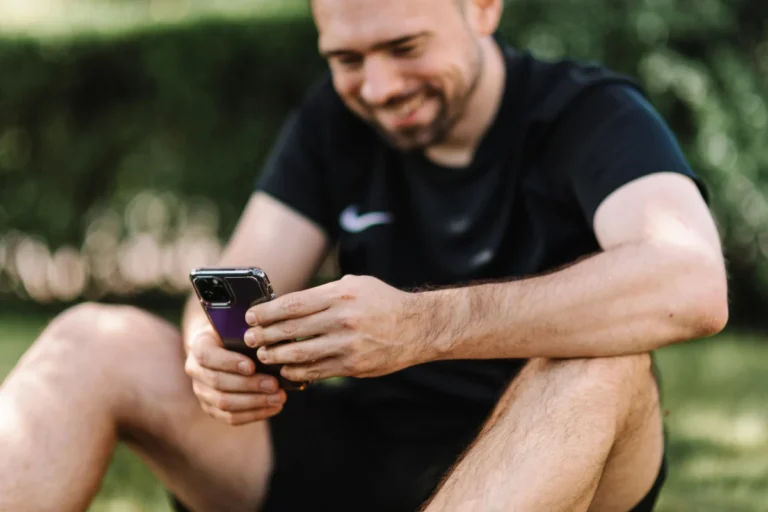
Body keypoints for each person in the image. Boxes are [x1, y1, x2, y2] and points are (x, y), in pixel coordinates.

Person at [0, 0, 728, 510]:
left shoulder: (590, 113)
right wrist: (210, 352)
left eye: (406, 48)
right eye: (347, 59)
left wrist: (425, 326)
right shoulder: (334, 118)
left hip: (545, 462)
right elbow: (238, 276)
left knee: (604, 361)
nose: (378, 88)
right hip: (358, 451)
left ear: (483, 8)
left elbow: (690, 281)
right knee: (91, 341)